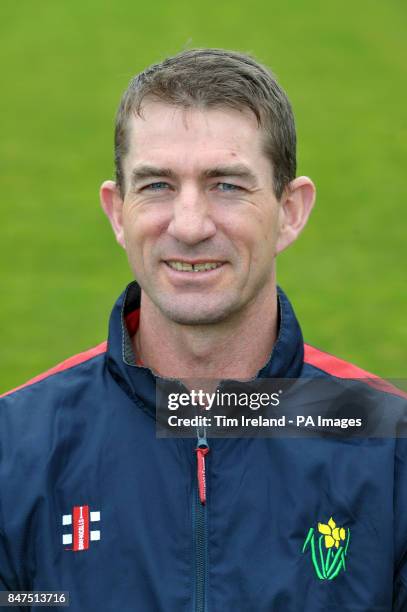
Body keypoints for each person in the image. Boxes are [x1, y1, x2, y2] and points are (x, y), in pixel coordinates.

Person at [0, 48, 406, 612]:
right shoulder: (15, 447)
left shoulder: (390, 447)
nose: (189, 225)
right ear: (118, 212)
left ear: (291, 211)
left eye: (227, 185)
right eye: (157, 185)